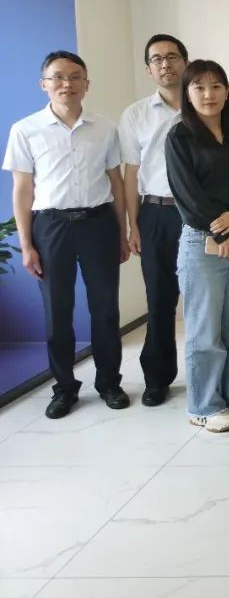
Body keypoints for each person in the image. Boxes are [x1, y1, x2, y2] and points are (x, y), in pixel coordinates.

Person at [3, 51, 130, 419]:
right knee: (57, 312)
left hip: (98, 223)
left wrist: (122, 232)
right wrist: (26, 244)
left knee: (105, 310)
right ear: (44, 84)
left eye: (75, 77)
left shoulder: (104, 127)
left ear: (86, 84)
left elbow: (116, 182)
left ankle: (109, 382)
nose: (67, 84)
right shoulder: (25, 129)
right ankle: (64, 388)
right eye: (57, 77)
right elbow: (22, 190)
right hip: (50, 226)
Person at [165, 60, 229, 432]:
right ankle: (203, 405)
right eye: (199, 87)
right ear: (187, 93)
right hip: (203, 240)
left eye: (216, 86)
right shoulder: (180, 136)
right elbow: (186, 195)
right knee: (205, 328)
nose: (209, 94)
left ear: (227, 90)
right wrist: (220, 231)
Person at [119, 34, 187, 407]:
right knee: (160, 300)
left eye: (172, 56)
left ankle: (213, 377)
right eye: (157, 59)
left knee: (207, 301)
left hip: (199, 215)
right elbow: (131, 173)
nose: (165, 64)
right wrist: (134, 225)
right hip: (156, 214)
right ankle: (157, 378)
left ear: (185, 62)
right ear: (149, 69)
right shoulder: (136, 114)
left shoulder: (206, 103)